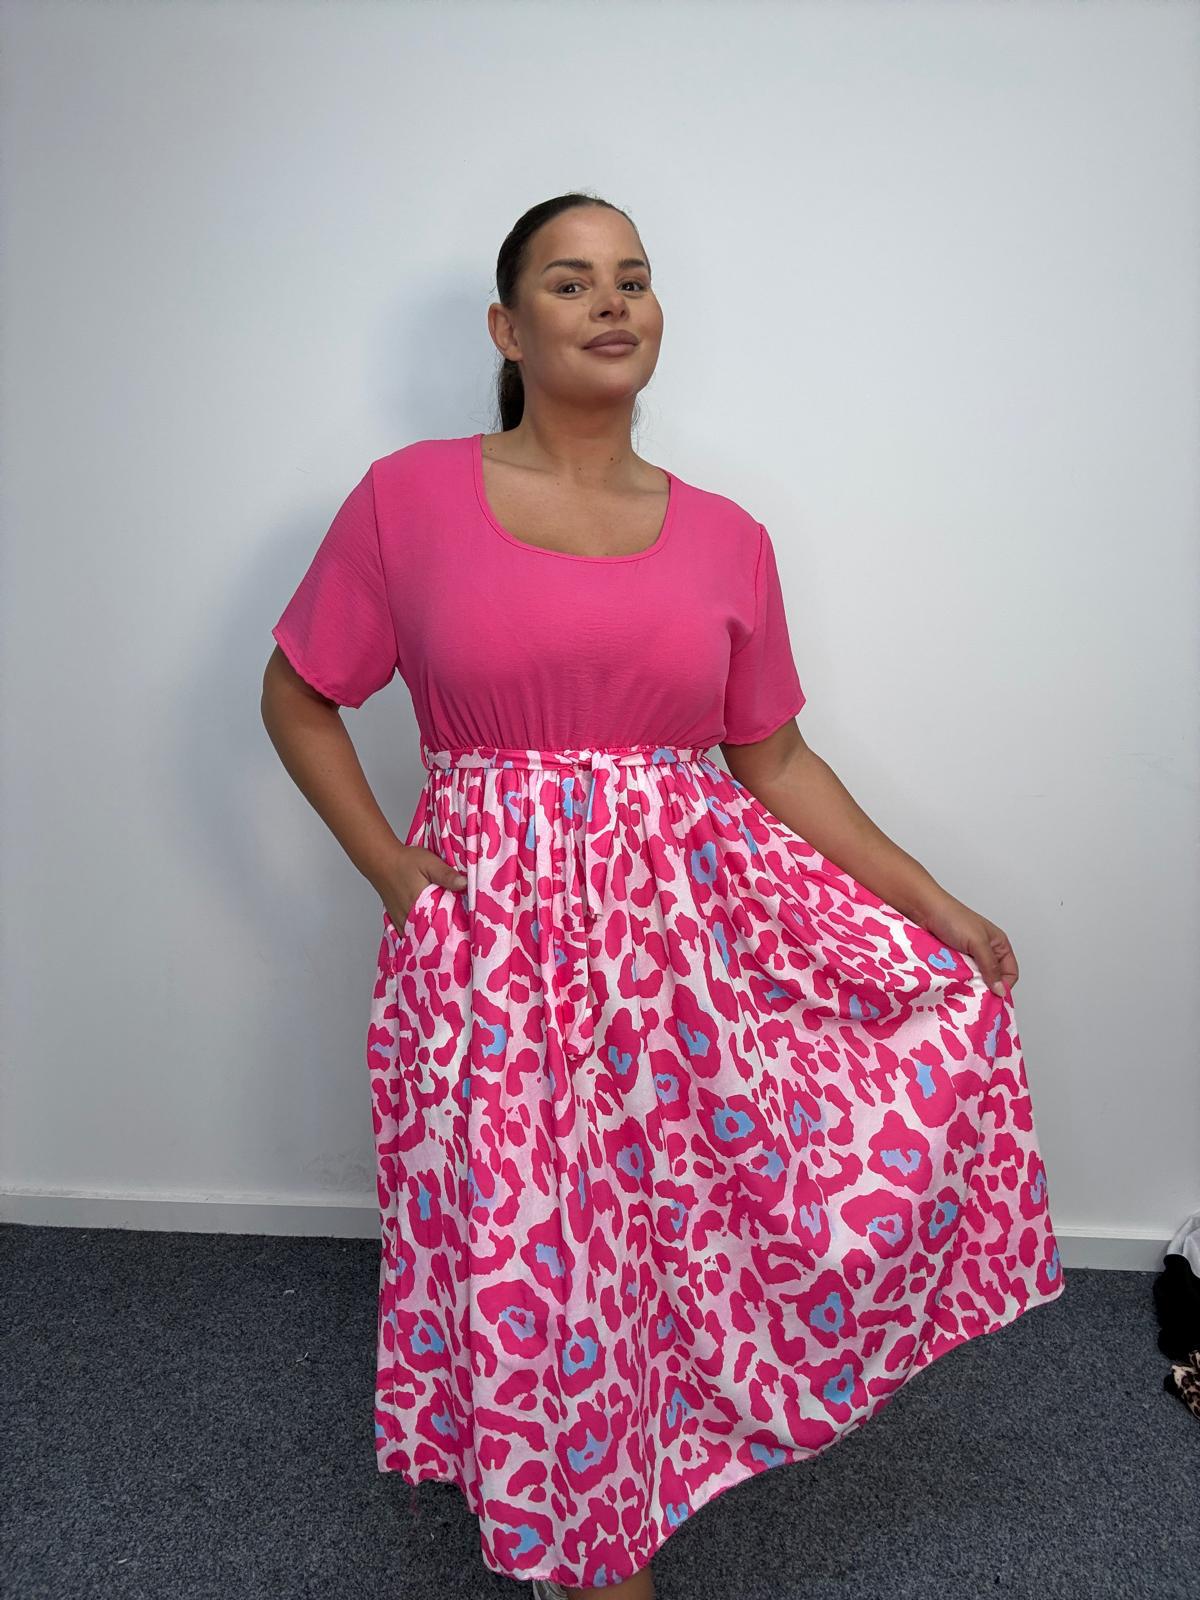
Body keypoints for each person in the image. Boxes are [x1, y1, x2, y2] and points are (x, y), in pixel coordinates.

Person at [261, 193, 1065, 1600]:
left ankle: (627, 1487)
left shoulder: (727, 535)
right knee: (535, 1243)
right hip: (495, 950)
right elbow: (298, 693)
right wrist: (388, 866)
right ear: (508, 329)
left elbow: (773, 756)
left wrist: (929, 901)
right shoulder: (408, 499)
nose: (610, 302)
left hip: (685, 950)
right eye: (571, 281)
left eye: (632, 279)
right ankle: (590, 1549)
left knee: (663, 1242)